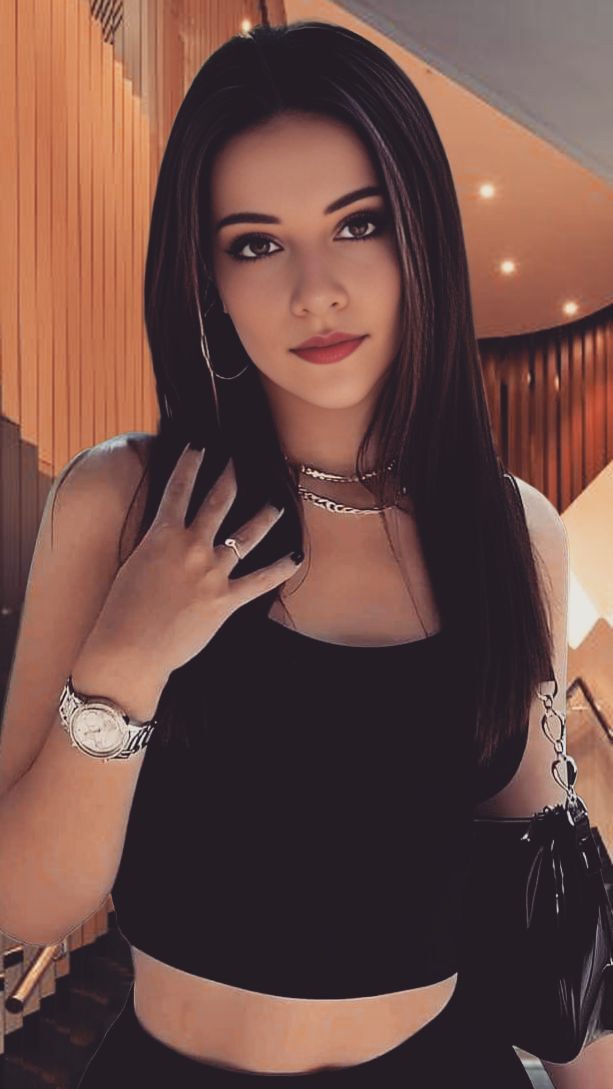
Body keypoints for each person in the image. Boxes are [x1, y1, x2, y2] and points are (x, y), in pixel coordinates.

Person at [0, 19, 573, 1088]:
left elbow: (547, 890)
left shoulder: (514, 532)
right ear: (207, 278)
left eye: (358, 224)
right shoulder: (127, 504)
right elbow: (28, 901)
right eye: (255, 243)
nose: (315, 290)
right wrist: (126, 661)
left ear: (420, 235)